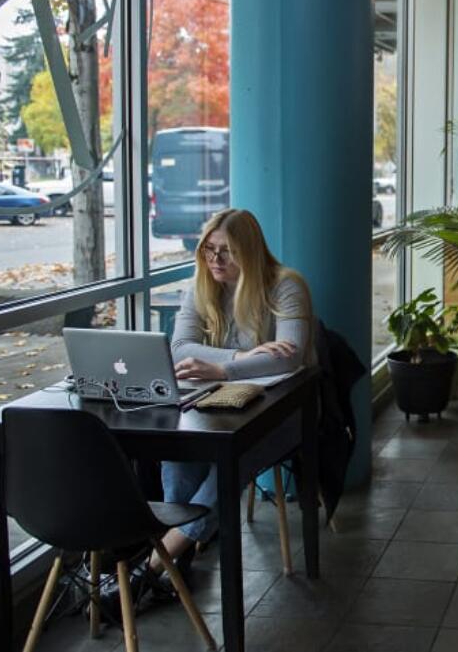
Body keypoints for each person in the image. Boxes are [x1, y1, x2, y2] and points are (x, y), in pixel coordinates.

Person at [105, 208, 316, 613]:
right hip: (215, 410)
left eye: (228, 252)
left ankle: (152, 565)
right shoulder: (202, 287)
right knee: (179, 451)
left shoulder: (286, 286)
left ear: (250, 253)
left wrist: (222, 368)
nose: (216, 260)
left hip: (280, 416)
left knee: (226, 468)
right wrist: (245, 355)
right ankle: (174, 562)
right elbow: (180, 349)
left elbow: (287, 359)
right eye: (209, 250)